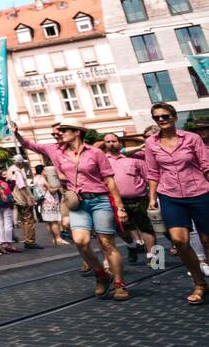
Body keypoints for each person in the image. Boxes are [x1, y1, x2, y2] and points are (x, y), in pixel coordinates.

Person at [14, 121, 128, 300]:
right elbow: (30, 145)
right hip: (77, 202)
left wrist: (120, 207)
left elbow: (110, 180)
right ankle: (101, 274)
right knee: (81, 241)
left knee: (107, 244)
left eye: (63, 130)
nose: (59, 134)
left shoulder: (95, 152)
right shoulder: (55, 150)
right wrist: (17, 133)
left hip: (99, 200)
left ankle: (120, 284)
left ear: (77, 132)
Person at [141, 103, 209, 304]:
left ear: (174, 117)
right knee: (179, 241)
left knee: (206, 240)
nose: (161, 120)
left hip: (200, 192)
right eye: (157, 117)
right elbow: (153, 172)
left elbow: (205, 165)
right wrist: (152, 198)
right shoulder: (151, 144)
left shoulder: (192, 138)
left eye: (165, 116)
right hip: (170, 195)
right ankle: (199, 284)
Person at [101, 133, 156, 266]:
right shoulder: (102, 160)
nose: (111, 144)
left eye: (113, 141)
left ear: (119, 142)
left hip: (140, 198)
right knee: (121, 230)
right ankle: (132, 247)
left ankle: (154, 258)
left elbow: (149, 178)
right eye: (107, 142)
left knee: (147, 229)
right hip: (115, 202)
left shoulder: (134, 158)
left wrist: (152, 198)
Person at [8, 156, 41, 249]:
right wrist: (28, 198)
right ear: (19, 162)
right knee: (28, 220)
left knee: (24, 220)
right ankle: (30, 241)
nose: (23, 164)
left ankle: (28, 239)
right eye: (22, 162)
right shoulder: (17, 172)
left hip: (16, 198)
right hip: (22, 199)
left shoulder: (10, 170)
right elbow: (21, 186)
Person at [33, 164, 66, 245]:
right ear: (42, 171)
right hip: (50, 201)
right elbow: (51, 190)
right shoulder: (42, 179)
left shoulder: (35, 178)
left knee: (48, 222)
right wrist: (58, 187)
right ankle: (58, 239)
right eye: (45, 170)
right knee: (54, 221)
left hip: (43, 202)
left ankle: (53, 239)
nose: (47, 172)